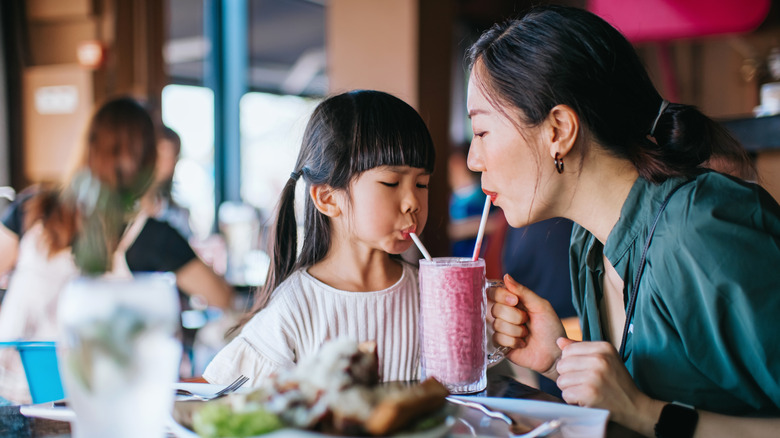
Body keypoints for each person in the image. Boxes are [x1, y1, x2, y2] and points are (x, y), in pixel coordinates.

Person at [467, 5, 780, 437]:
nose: (471, 158)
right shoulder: (589, 244)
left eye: (481, 132)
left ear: (558, 129)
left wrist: (644, 411)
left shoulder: (699, 231)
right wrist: (560, 360)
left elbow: (642, 413)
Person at [0, 97, 233, 403]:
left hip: (14, 397)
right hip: (103, 404)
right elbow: (223, 297)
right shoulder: (152, 236)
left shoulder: (31, 208)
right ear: (147, 162)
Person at [202, 90, 435, 386]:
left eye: (422, 184)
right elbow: (231, 404)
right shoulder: (295, 307)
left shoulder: (433, 295)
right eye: (391, 182)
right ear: (327, 199)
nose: (412, 202)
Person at [140, 125, 193, 240]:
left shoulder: (176, 210)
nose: (170, 162)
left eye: (174, 156)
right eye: (164, 154)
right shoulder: (137, 205)